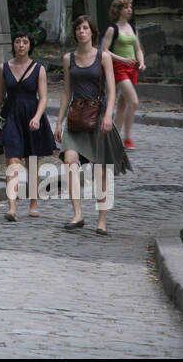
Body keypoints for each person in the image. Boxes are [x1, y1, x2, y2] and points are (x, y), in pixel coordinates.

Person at [54, 15, 131, 235]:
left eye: (85, 28)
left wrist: (109, 115)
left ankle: (102, 220)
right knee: (69, 161)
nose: (81, 32)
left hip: (98, 116)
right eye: (78, 28)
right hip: (76, 117)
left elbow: (112, 88)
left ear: (92, 32)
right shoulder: (68, 58)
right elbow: (66, 91)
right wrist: (59, 122)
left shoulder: (103, 57)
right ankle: (77, 214)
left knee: (101, 170)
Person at [0, 31, 55, 221]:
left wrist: (37, 117)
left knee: (32, 163)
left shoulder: (38, 68)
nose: (21, 45)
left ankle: (34, 204)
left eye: (25, 42)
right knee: (12, 161)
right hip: (11, 117)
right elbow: (0, 96)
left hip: (32, 118)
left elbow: (43, 97)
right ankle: (12, 207)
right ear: (13, 45)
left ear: (29, 46)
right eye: (17, 41)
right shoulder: (4, 68)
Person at [100, 0, 145, 150]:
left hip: (132, 68)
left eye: (130, 7)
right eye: (126, 7)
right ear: (118, 10)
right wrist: (123, 59)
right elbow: (104, 50)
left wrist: (142, 62)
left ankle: (116, 138)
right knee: (134, 101)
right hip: (119, 69)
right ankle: (127, 139)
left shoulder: (133, 28)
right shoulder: (113, 29)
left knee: (122, 105)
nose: (129, 10)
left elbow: (137, 49)